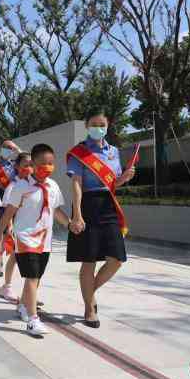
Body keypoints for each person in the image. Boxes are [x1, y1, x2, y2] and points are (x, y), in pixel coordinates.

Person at [0, 143, 71, 337]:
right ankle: (33, 320)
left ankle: (22, 305)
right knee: (33, 276)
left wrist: (70, 225)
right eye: (43, 163)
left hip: (45, 239)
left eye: (51, 163)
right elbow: (9, 212)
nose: (48, 167)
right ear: (33, 164)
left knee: (35, 278)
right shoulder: (21, 186)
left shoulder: (53, 186)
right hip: (25, 237)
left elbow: (56, 210)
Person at [66, 111, 136, 328]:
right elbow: (76, 184)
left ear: (108, 125)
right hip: (87, 205)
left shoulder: (113, 152)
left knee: (117, 259)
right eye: (94, 124)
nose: (98, 127)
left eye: (102, 124)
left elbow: (112, 183)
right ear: (87, 126)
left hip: (109, 205)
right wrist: (77, 214)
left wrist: (123, 178)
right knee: (89, 260)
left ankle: (89, 292)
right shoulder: (78, 152)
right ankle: (90, 308)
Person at [0, 152, 32, 302]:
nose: (29, 168)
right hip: (18, 226)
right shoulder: (13, 186)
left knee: (30, 260)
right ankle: (7, 286)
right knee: (15, 257)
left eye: (31, 165)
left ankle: (30, 293)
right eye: (25, 165)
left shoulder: (34, 184)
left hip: (32, 227)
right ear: (17, 167)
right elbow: (8, 209)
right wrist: (10, 226)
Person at [0, 140, 22, 277]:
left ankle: (5, 259)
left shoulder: (15, 164)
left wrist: (18, 149)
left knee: (10, 231)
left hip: (13, 198)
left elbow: (30, 161)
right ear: (0, 147)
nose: (8, 149)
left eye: (11, 148)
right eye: (6, 147)